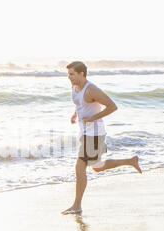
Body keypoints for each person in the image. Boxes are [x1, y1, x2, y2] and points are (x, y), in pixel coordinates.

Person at [61, 61, 142, 215]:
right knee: (97, 167)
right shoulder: (74, 87)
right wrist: (75, 113)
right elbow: (80, 103)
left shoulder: (91, 90)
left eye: (72, 74)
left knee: (79, 168)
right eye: (68, 74)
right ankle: (130, 161)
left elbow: (112, 106)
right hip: (85, 132)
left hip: (94, 134)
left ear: (81, 74)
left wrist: (93, 118)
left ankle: (77, 206)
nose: (69, 77)